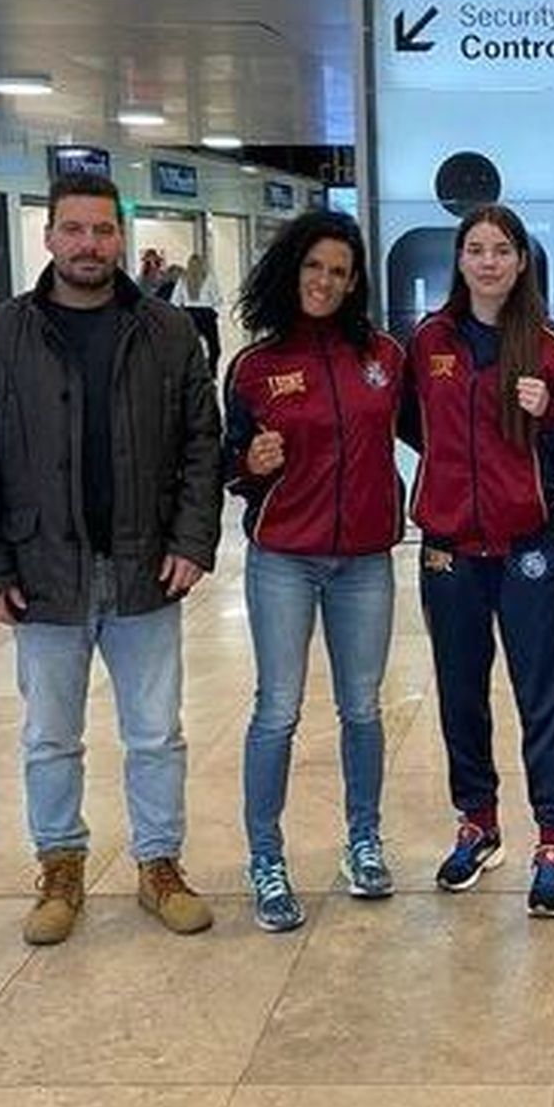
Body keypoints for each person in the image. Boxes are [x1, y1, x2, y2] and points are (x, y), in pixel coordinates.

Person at [0, 173, 222, 946]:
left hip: (143, 571)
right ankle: (60, 865)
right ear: (50, 237)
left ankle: (159, 865)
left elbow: (204, 446)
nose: (89, 245)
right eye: (75, 230)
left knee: (156, 732)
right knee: (50, 736)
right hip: (42, 576)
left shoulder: (167, 332)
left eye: (103, 231)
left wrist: (192, 541)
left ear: (121, 240)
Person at [223, 212, 405, 932]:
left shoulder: (385, 357)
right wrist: (249, 466)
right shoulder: (255, 366)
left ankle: (363, 841)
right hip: (284, 561)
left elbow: (441, 429)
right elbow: (231, 467)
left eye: (339, 270)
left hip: (364, 561)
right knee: (278, 709)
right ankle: (265, 857)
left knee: (362, 708)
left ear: (354, 281)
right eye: (313, 267)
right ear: (290, 270)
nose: (324, 282)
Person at [402, 203, 554, 918]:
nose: (487, 261)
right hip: (450, 551)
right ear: (459, 260)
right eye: (475, 249)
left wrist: (548, 420)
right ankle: (477, 822)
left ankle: (553, 836)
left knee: (544, 695)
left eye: (500, 250)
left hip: (526, 550)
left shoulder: (548, 345)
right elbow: (417, 427)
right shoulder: (428, 341)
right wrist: (454, 484)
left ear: (520, 260)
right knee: (460, 693)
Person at [172, 253, 224, 374]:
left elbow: (175, 301)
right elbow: (218, 299)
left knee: (188, 347)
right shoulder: (209, 278)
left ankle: (189, 372)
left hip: (189, 314)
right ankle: (212, 372)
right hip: (206, 314)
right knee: (214, 347)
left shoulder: (183, 279)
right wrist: (214, 311)